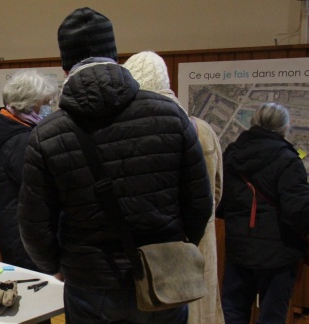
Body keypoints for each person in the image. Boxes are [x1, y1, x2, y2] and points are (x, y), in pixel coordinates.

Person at [17, 7, 213, 323]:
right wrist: (177, 245)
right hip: (164, 275)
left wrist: (56, 265)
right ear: (115, 54)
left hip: (88, 280)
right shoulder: (171, 116)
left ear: (65, 66)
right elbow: (200, 203)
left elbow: (33, 224)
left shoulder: (47, 134)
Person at [123, 50, 225, 324]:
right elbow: (216, 193)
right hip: (198, 245)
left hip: (157, 252)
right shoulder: (203, 129)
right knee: (198, 312)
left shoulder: (134, 131)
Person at [217, 102, 309, 323]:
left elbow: (222, 203)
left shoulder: (231, 154)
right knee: (272, 316)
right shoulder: (288, 159)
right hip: (278, 253)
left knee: (233, 312)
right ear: (284, 127)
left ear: (254, 122)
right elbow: (297, 211)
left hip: (239, 249)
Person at [0, 69, 57, 272]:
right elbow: (39, 188)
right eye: (44, 103)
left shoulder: (10, 130)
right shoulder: (21, 140)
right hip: (24, 235)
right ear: (29, 103)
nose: (47, 109)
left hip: (15, 228)